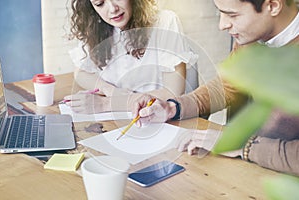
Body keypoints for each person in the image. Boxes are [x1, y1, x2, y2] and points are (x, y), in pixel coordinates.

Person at [132, 0, 299, 176]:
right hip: (248, 170)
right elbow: (228, 86)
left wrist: (244, 146)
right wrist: (173, 108)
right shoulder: (253, 38)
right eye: (220, 13)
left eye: (232, 15)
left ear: (272, 5)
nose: (222, 25)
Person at [63, 0, 197, 114]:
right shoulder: (95, 29)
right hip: (121, 119)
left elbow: (173, 92)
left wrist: (106, 104)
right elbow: (81, 72)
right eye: (100, 3)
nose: (113, 9)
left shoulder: (165, 21)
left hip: (161, 118)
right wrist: (109, 90)